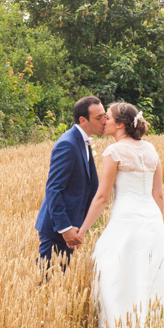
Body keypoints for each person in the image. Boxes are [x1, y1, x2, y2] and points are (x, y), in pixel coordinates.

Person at [77, 101, 164, 328]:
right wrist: (158, 223)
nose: (104, 121)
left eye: (107, 117)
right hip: (151, 219)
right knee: (152, 271)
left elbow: (102, 197)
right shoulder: (150, 149)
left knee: (112, 266)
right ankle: (157, 327)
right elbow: (158, 194)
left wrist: (83, 230)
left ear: (119, 125)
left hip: (126, 218)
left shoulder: (113, 152)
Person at [35, 96, 105, 267]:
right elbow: (54, 188)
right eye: (99, 118)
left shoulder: (82, 141)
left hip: (72, 226)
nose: (104, 121)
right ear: (83, 120)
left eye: (104, 115)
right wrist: (65, 228)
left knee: (59, 281)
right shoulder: (68, 144)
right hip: (57, 230)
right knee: (48, 281)